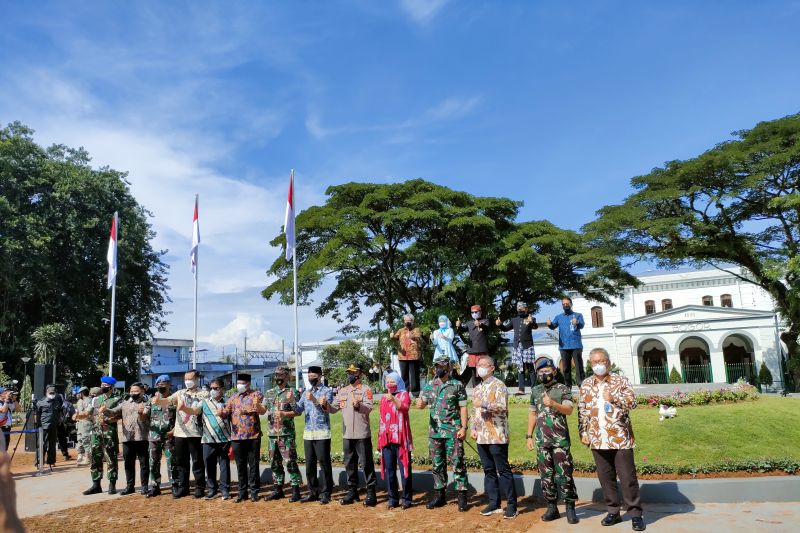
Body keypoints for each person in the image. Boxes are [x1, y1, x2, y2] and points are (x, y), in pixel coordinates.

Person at [579, 348, 645, 531]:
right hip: (597, 438)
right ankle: (613, 511)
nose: (598, 365)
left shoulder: (620, 381)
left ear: (608, 362)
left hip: (620, 438)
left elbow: (633, 403)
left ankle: (635, 514)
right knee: (606, 478)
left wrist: (614, 397)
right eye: (594, 362)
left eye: (601, 361)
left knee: (627, 478)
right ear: (590, 364)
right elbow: (582, 410)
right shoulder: (586, 384)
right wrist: (583, 433)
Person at [527, 356, 579, 524]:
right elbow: (532, 413)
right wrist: (529, 435)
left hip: (560, 441)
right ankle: (552, 508)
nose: (544, 374)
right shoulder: (535, 391)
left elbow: (569, 410)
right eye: (541, 371)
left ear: (554, 371)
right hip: (542, 441)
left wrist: (553, 404)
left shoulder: (563, 388)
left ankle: (570, 507)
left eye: (547, 370)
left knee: (565, 474)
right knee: (546, 476)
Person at [416, 355, 469, 512]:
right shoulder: (430, 385)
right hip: (435, 433)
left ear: (449, 367)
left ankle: (462, 496)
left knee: (457, 463)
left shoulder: (457, 385)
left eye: (442, 366)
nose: (439, 368)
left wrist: (464, 428)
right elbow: (422, 403)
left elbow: (463, 408)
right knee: (437, 465)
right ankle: (440, 495)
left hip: (453, 431)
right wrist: (419, 404)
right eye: (437, 366)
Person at [470, 356, 517, 519]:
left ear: (492, 368)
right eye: (478, 365)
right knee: (488, 470)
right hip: (482, 436)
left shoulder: (499, 385)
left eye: (484, 365)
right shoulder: (477, 388)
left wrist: (483, 404)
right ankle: (494, 502)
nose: (480, 368)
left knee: (503, 470)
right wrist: (473, 428)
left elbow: (502, 407)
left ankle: (512, 505)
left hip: (496, 435)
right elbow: (474, 411)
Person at [153, 369, 208, 498]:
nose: (187, 381)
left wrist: (183, 408)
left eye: (190, 379)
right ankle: (183, 488)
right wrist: (158, 401)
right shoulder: (180, 393)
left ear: (197, 379)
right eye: (185, 379)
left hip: (195, 433)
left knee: (197, 462)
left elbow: (197, 411)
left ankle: (200, 487)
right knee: (181, 462)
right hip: (180, 433)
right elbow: (168, 400)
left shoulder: (204, 394)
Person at [328, 363, 376, 507]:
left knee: (366, 464)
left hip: (362, 434)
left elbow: (368, 408)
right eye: (348, 372)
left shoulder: (366, 390)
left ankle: (371, 493)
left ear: (359, 374)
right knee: (350, 464)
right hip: (347, 434)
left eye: (352, 372)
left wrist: (358, 406)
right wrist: (323, 404)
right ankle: (352, 491)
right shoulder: (343, 391)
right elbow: (333, 408)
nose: (350, 375)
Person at [179, 378, 231, 500]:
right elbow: (194, 411)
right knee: (209, 465)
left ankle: (225, 490)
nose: (212, 390)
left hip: (224, 439)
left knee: (224, 465)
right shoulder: (204, 402)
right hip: (208, 439)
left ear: (222, 389)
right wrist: (183, 408)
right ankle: (212, 490)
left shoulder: (228, 402)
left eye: (215, 388)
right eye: (211, 388)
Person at [219, 373, 265, 503]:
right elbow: (226, 412)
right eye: (238, 383)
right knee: (240, 465)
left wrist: (254, 406)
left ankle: (254, 491)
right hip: (237, 437)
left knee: (253, 465)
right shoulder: (233, 398)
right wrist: (221, 413)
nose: (239, 386)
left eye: (242, 383)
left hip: (253, 436)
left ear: (248, 384)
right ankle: (242, 492)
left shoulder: (256, 395)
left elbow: (261, 410)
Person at [294, 365, 335, 504]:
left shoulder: (326, 391)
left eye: (313, 375)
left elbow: (326, 409)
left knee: (324, 463)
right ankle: (313, 491)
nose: (311, 378)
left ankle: (326, 492)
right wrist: (290, 401)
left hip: (322, 433)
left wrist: (315, 400)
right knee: (309, 464)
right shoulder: (306, 392)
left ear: (320, 376)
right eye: (309, 375)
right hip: (308, 434)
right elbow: (298, 409)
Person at [262, 367, 301, 502]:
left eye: (280, 374)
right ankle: (278, 490)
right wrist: (256, 406)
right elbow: (263, 410)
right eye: (276, 374)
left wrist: (285, 413)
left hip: (286, 434)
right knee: (274, 463)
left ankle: (296, 490)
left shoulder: (292, 392)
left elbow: (298, 411)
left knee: (290, 462)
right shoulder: (269, 392)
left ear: (286, 376)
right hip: (272, 434)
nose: (277, 377)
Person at [106, 382, 150, 495]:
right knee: (128, 464)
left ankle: (144, 486)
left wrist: (142, 412)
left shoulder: (147, 403)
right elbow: (114, 411)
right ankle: (130, 486)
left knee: (144, 463)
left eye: (136, 391)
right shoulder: (125, 403)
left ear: (142, 391)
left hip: (142, 437)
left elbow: (145, 415)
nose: (133, 393)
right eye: (131, 391)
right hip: (127, 438)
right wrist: (105, 410)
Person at [378, 370, 413, 510]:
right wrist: (379, 438)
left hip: (401, 438)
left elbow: (404, 408)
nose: (389, 384)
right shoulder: (382, 398)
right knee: (390, 470)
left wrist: (393, 399)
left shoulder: (404, 394)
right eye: (387, 381)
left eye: (392, 381)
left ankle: (406, 498)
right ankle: (392, 498)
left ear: (398, 382)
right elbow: (382, 419)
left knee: (405, 468)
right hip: (386, 438)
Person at [81, 376, 122, 495]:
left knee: (111, 458)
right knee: (95, 458)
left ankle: (112, 484)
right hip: (96, 432)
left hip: (109, 433)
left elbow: (120, 415)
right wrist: (79, 416)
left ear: (112, 387)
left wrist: (110, 419)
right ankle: (96, 484)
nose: (103, 387)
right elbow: (89, 412)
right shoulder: (96, 400)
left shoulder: (117, 399)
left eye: (105, 385)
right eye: (102, 384)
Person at [497, 301, 538, 395]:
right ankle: (521, 389)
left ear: (526, 309)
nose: (520, 309)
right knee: (520, 368)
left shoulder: (530, 318)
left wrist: (531, 321)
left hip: (528, 346)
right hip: (517, 346)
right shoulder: (514, 319)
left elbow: (535, 326)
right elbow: (505, 328)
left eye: (522, 308)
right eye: (518, 308)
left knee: (530, 368)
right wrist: (500, 325)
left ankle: (535, 389)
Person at [146, 375, 177, 498]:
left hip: (169, 435)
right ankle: (155, 486)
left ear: (169, 384)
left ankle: (174, 485)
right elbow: (144, 416)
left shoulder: (174, 399)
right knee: (153, 461)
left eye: (164, 383)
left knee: (171, 461)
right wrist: (141, 412)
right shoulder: (151, 400)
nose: (161, 386)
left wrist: (174, 430)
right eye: (159, 384)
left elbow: (180, 417)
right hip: (154, 435)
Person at [547, 297, 585, 388]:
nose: (565, 305)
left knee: (578, 366)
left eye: (567, 303)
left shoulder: (578, 315)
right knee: (566, 368)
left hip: (576, 344)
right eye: (563, 304)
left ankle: (581, 385)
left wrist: (577, 322)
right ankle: (568, 386)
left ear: (571, 304)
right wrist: (549, 324)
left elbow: (582, 325)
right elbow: (553, 326)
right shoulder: (558, 317)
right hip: (563, 346)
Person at [455, 305, 490, 388]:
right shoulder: (469, 323)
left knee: (483, 369)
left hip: (482, 350)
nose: (474, 313)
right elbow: (462, 330)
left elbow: (486, 327)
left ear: (480, 312)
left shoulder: (486, 321)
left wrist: (480, 324)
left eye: (476, 312)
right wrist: (459, 326)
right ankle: (475, 388)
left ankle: (485, 387)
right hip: (472, 350)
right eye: (472, 312)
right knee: (473, 370)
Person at [390, 314, 422, 398]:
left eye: (409, 320)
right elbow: (395, 338)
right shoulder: (400, 330)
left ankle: (416, 393)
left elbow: (419, 338)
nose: (407, 322)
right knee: (404, 376)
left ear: (412, 321)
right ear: (404, 322)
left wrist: (413, 337)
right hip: (403, 356)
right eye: (405, 320)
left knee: (414, 376)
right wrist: (392, 336)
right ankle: (404, 393)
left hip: (414, 356)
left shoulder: (416, 329)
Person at [34, 385, 63, 470]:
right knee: (41, 445)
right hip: (44, 427)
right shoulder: (41, 402)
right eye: (50, 393)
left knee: (52, 445)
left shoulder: (57, 402)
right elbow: (37, 415)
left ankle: (51, 461)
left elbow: (59, 412)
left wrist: (60, 419)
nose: (52, 394)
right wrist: (38, 425)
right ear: (46, 393)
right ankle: (39, 462)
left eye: (53, 393)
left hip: (54, 426)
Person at [73, 386, 93, 465]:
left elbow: (87, 412)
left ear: (83, 393)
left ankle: (88, 458)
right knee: (80, 439)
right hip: (80, 423)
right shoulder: (80, 401)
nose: (78, 395)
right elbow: (78, 411)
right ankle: (81, 456)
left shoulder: (89, 400)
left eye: (79, 393)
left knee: (86, 440)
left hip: (86, 422)